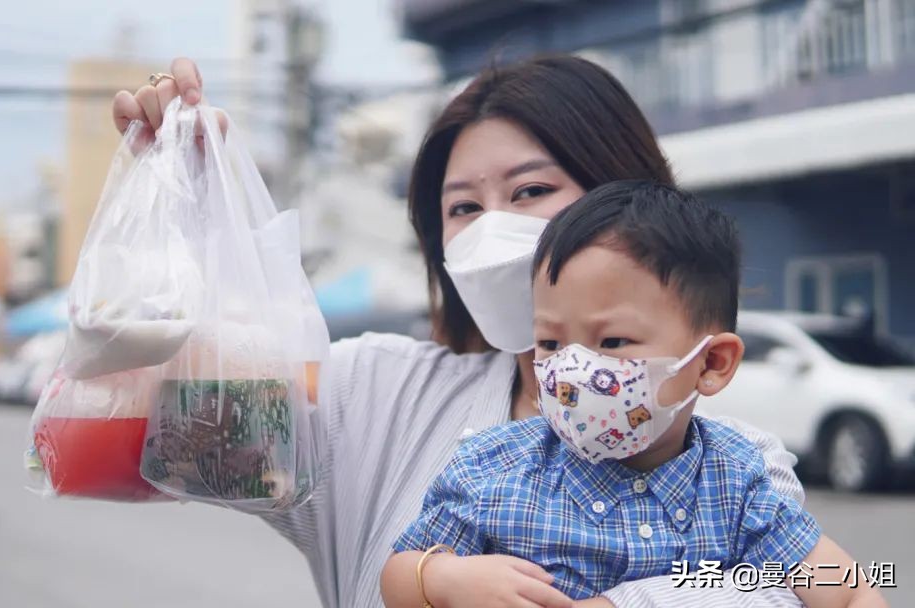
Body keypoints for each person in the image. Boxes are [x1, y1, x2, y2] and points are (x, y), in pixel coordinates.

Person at [112, 55, 808, 607]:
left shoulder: (734, 465)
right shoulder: (375, 392)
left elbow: (792, 589)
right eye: (464, 207)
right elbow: (174, 437)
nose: (494, 230)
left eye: (532, 191)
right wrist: (191, 215)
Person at [381, 181, 887, 608]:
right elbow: (397, 578)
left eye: (613, 342)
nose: (573, 370)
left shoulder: (738, 485)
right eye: (551, 343)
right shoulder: (491, 470)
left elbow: (845, 590)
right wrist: (443, 580)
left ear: (711, 364)